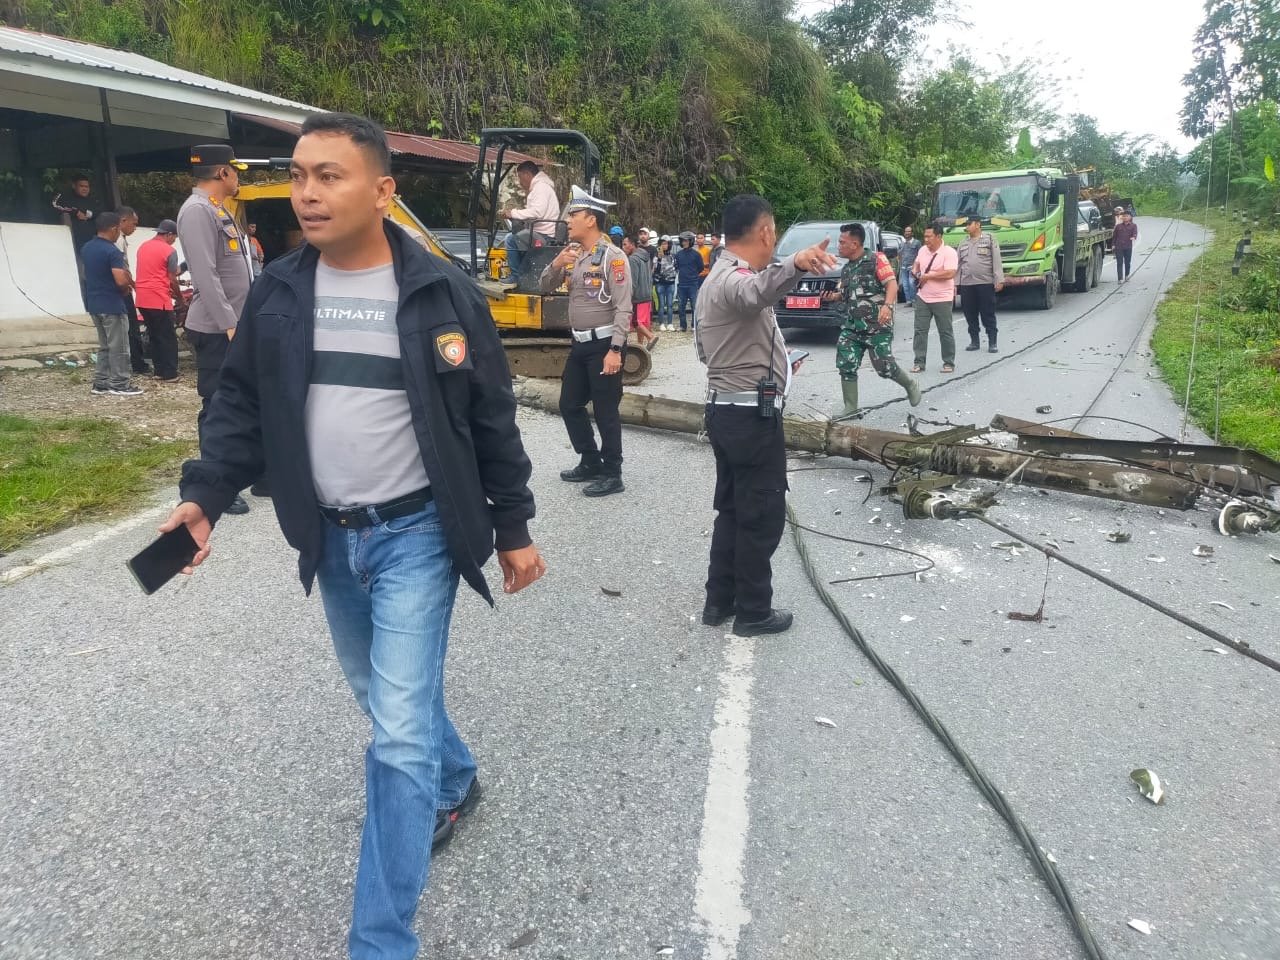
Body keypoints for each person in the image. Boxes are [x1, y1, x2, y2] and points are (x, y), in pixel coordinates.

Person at [160, 112, 544, 960]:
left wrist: (513, 524)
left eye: (329, 176)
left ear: (382, 191)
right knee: (380, 693)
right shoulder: (280, 292)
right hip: (330, 539)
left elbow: (490, 416)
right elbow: (241, 406)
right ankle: (456, 777)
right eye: (300, 175)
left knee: (396, 731)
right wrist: (206, 496)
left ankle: (379, 941)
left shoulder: (442, 293)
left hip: (418, 535)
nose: (307, 193)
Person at [695, 194, 836, 636]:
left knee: (734, 510)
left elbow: (711, 349)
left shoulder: (715, 277)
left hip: (728, 411)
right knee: (761, 515)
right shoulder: (735, 279)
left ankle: (719, 601)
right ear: (766, 232)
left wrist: (775, 367)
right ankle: (754, 612)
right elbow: (754, 293)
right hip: (748, 421)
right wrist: (795, 263)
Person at [176, 143, 256, 515]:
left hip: (236, 325)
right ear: (223, 172)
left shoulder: (217, 208)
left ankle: (254, 469)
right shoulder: (196, 211)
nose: (238, 178)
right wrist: (229, 324)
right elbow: (205, 275)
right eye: (235, 171)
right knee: (217, 404)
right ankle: (214, 483)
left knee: (246, 397)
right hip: (216, 329)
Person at [540, 186, 632, 497]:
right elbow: (543, 287)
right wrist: (557, 263)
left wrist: (616, 349)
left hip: (605, 345)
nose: (568, 221)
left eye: (574, 215)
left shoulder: (613, 258)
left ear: (591, 219)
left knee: (606, 411)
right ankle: (590, 460)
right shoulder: (575, 256)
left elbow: (623, 307)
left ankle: (613, 472)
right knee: (569, 404)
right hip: (579, 345)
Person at [825, 222, 920, 416]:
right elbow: (847, 295)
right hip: (852, 327)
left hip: (877, 325)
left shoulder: (877, 259)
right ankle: (851, 408)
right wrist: (832, 296)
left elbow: (892, 284)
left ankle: (910, 384)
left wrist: (888, 306)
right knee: (846, 363)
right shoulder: (847, 269)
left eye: (842, 242)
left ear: (855, 244)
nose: (838, 246)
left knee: (884, 367)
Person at [80, 211, 143, 397]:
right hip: (112, 304)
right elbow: (120, 279)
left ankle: (101, 382)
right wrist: (126, 290)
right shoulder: (113, 251)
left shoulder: (87, 248)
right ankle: (120, 383)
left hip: (94, 303)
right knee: (119, 346)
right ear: (114, 229)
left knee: (105, 345)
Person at [133, 219, 183, 381]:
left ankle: (159, 371)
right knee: (167, 337)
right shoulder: (169, 251)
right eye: (174, 237)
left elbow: (153, 272)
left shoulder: (143, 247)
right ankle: (170, 373)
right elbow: (172, 278)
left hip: (142, 298)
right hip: (158, 299)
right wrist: (180, 298)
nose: (174, 241)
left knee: (154, 335)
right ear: (169, 234)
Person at [910, 223, 959, 374]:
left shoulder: (949, 252)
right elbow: (916, 264)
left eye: (929, 237)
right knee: (920, 331)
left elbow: (950, 273)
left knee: (945, 331)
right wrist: (915, 271)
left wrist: (929, 276)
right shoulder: (922, 250)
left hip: (942, 298)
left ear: (938, 236)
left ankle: (948, 362)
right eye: (924, 236)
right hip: (923, 297)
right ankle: (919, 362)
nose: (926, 240)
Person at [500, 160, 560, 278]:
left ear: (527, 174)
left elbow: (537, 212)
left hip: (544, 234)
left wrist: (513, 213)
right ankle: (522, 273)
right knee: (517, 236)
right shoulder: (540, 187)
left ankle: (516, 277)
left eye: (520, 177)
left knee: (510, 239)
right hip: (540, 231)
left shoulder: (541, 188)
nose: (520, 181)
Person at [956, 214, 1005, 353]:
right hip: (967, 284)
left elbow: (996, 260)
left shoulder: (989, 239)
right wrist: (955, 284)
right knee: (969, 313)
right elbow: (958, 264)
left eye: (969, 224)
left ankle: (992, 342)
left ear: (977, 224)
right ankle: (974, 341)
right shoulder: (963, 243)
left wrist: (999, 279)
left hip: (985, 283)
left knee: (987, 313)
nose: (967, 227)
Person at [114, 206, 152, 376]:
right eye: (134, 224)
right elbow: (121, 268)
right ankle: (138, 363)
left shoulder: (118, 238)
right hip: (122, 288)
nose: (135, 228)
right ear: (123, 221)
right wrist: (132, 285)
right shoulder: (118, 240)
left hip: (121, 286)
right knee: (132, 327)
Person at [623, 235, 657, 348]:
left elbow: (633, 281)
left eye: (625, 244)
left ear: (632, 245)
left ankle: (651, 337)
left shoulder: (633, 259)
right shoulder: (645, 255)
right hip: (647, 294)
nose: (623, 247)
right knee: (641, 321)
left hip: (638, 296)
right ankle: (640, 345)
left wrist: (628, 296)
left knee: (636, 322)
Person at [51, 174, 98, 256]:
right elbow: (55, 205)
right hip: (72, 242)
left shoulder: (92, 200)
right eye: (81, 186)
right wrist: (76, 212)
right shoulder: (65, 197)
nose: (85, 189)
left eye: (87, 187)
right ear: (74, 186)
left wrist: (88, 215)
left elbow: (100, 212)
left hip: (92, 241)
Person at [674, 231, 703, 331]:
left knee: (695, 306)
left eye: (686, 241)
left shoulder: (696, 254)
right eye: (683, 241)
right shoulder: (678, 255)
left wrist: (693, 275)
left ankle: (694, 325)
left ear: (691, 241)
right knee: (681, 306)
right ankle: (683, 326)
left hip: (693, 284)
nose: (684, 243)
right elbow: (676, 267)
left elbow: (701, 268)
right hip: (682, 284)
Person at [652, 237, 677, 331]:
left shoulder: (673, 256)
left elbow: (675, 267)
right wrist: (659, 258)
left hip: (670, 283)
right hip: (660, 283)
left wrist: (673, 276)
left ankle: (670, 323)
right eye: (662, 244)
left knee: (670, 304)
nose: (664, 246)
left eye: (666, 244)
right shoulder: (656, 256)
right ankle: (661, 323)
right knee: (661, 304)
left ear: (669, 245)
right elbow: (655, 270)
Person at [897, 224, 922, 306]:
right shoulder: (902, 243)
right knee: (905, 285)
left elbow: (921, 254)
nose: (907, 233)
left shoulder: (917, 243)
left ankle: (914, 300)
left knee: (912, 283)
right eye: (906, 231)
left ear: (912, 233)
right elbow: (899, 255)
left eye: (909, 231)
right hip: (903, 267)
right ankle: (908, 301)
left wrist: (917, 267)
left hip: (913, 268)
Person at [1113, 209, 1138, 282]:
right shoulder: (1118, 226)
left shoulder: (1133, 226)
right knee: (1119, 263)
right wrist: (1113, 245)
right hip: (1119, 246)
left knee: (1127, 262)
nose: (1125, 217)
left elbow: (1135, 233)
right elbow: (1114, 236)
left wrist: (1134, 237)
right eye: (1124, 216)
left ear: (1130, 217)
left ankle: (1127, 275)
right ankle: (1120, 278)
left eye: (1126, 216)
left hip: (1128, 246)